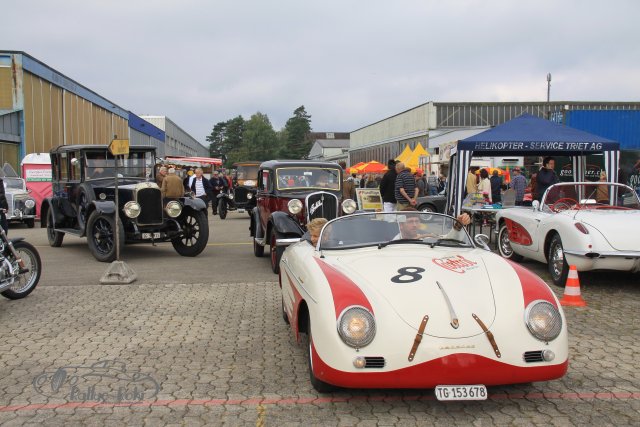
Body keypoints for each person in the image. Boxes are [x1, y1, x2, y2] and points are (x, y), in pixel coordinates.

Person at [394, 208, 471, 240]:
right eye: (410, 222)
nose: (414, 225)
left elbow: (448, 240)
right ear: (401, 225)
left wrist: (459, 224)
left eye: (416, 221)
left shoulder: (427, 237)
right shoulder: (393, 243)